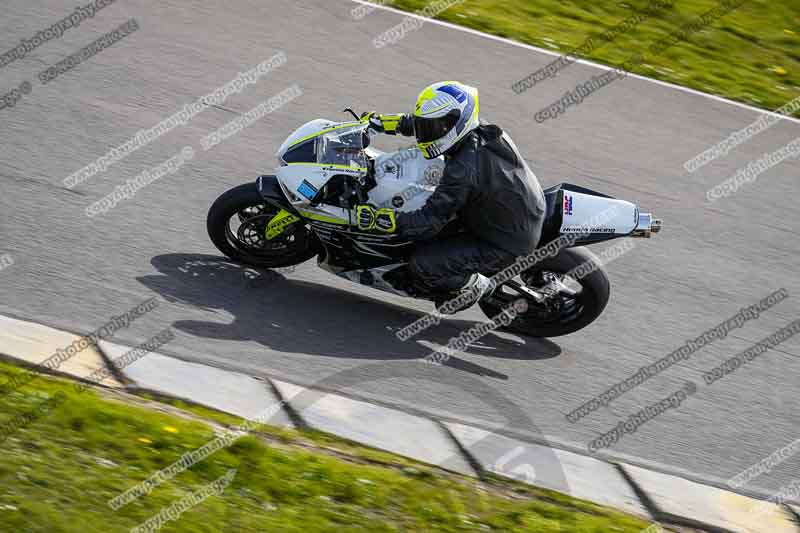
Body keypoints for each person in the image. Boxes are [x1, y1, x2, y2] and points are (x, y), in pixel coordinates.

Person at [355, 81, 546, 313]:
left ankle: (470, 287)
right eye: (428, 126)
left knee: (422, 265)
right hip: (513, 206)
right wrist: (379, 122)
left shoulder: (463, 170)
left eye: (434, 127)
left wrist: (382, 219)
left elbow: (427, 223)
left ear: (457, 121)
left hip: (502, 242)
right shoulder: (475, 130)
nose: (426, 133)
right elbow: (419, 123)